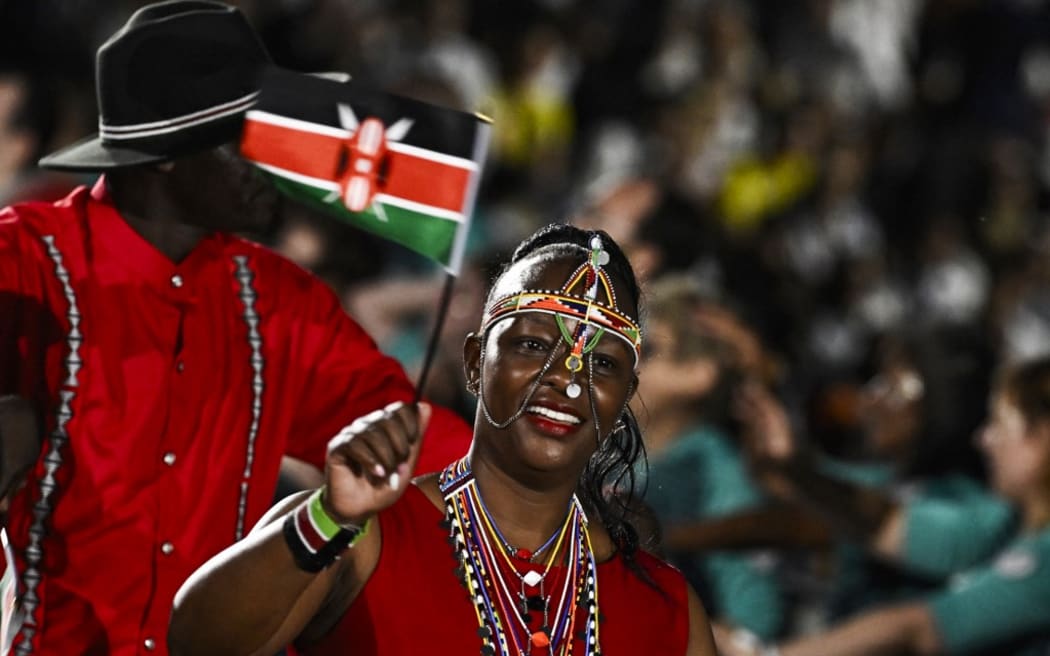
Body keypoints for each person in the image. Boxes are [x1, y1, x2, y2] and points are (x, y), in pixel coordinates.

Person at [0, 2, 471, 654]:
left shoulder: (281, 302)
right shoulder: (22, 262)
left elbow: (420, 441)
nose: (276, 159)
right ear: (164, 154)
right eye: (247, 136)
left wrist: (562, 501)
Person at [168, 224, 718, 655]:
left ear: (625, 396)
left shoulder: (667, 609)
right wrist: (328, 516)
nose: (567, 378)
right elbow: (198, 643)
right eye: (530, 345)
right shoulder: (365, 533)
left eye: (601, 362)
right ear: (476, 363)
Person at [716, 356, 1050, 656]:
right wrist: (792, 467)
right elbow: (882, 521)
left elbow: (917, 626)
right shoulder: (1013, 520)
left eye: (1002, 424)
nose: (986, 439)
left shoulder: (987, 514)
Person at [637, 274, 784, 640]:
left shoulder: (718, 477)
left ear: (698, 375)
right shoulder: (598, 444)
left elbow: (753, 627)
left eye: (648, 350)